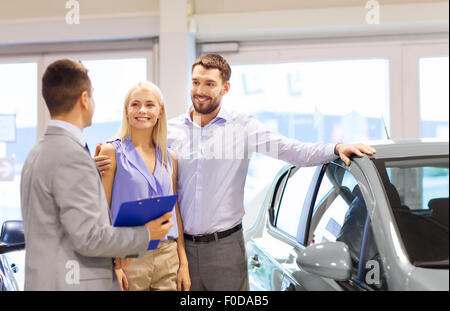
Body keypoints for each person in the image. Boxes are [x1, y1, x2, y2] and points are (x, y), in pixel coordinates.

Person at [95, 54, 376, 291]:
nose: (200, 90)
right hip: (177, 251)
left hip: (225, 248)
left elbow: (293, 150)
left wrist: (336, 147)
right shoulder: (171, 131)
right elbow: (136, 160)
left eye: (209, 84)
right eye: (195, 82)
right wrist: (97, 166)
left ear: (225, 88)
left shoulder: (243, 127)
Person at [20, 59, 173, 291]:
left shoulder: (39, 151)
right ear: (84, 100)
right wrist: (145, 235)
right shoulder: (72, 157)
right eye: (92, 96)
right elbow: (89, 237)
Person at [97, 81, 190, 291]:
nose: (142, 110)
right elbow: (101, 212)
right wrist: (112, 264)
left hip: (168, 255)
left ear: (160, 111)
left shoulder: (170, 157)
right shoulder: (111, 152)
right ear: (127, 111)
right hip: (128, 256)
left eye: (150, 105)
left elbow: (175, 212)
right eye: (135, 104)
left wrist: (183, 263)